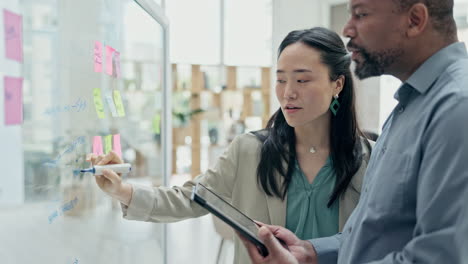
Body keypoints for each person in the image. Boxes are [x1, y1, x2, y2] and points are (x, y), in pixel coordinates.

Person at [87, 27, 372, 264]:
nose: (288, 92)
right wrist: (123, 191)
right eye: (281, 79)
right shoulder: (250, 150)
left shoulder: (371, 159)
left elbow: (374, 237)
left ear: (337, 84)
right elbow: (188, 199)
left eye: (302, 79)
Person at [240, 0, 468, 263]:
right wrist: (311, 252)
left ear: (415, 20)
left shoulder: (456, 107)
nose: (347, 29)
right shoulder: (409, 106)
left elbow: (440, 257)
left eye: (360, 14)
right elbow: (377, 230)